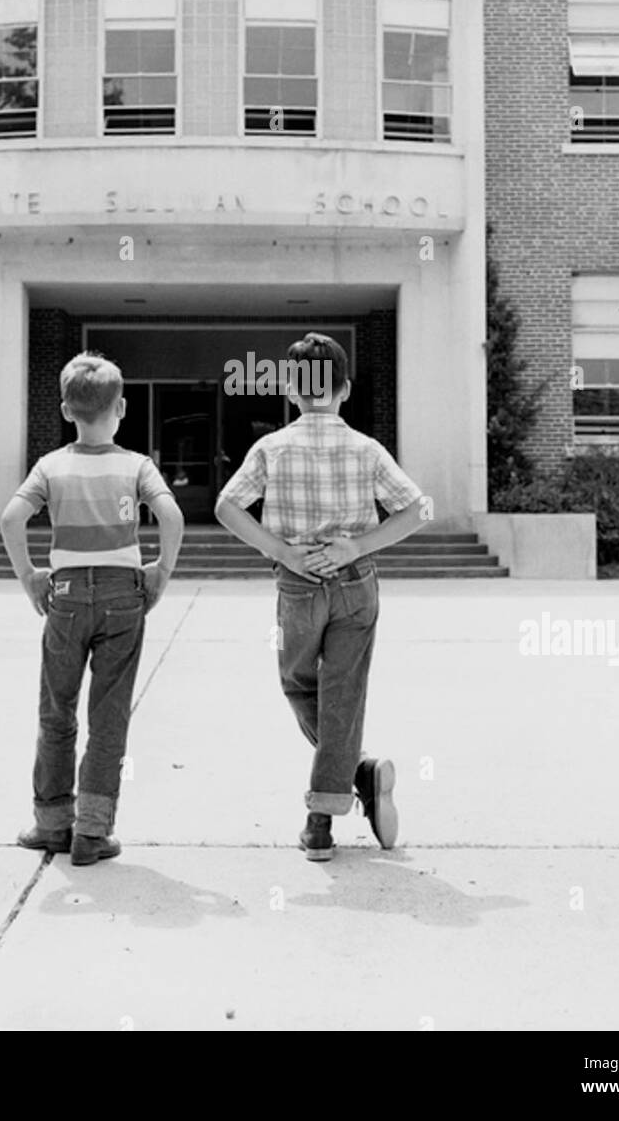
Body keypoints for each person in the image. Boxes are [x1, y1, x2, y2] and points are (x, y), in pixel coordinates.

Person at [214, 332, 428, 861]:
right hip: (356, 581)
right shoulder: (367, 448)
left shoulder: (271, 447)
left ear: (290, 387)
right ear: (345, 389)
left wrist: (282, 552)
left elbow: (226, 507)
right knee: (344, 693)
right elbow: (418, 510)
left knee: (297, 685)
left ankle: (322, 821)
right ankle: (353, 775)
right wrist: (357, 544)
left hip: (297, 583)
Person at [0, 352, 184, 866]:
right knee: (109, 718)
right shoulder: (136, 466)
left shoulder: (51, 466)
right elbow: (170, 515)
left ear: (64, 410)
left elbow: (11, 519)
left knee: (56, 711)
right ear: (121, 407)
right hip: (125, 595)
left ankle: (52, 823)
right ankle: (92, 833)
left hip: (66, 597)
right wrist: (160, 572)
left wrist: (30, 577)